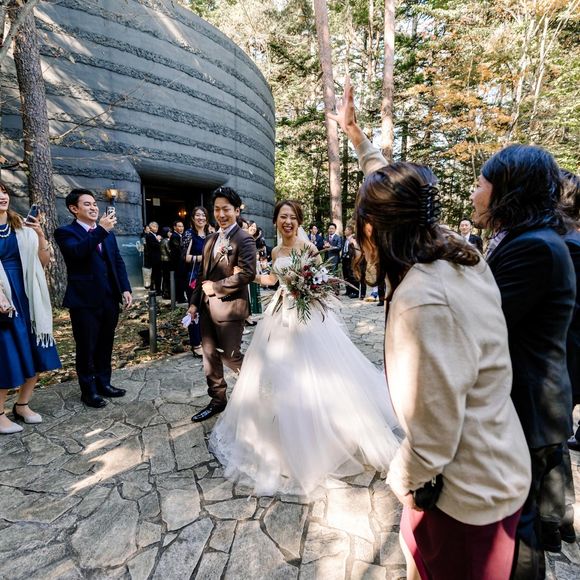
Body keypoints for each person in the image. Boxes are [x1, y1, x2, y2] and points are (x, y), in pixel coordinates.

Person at [331, 78, 532, 579]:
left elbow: (436, 435)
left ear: (371, 230)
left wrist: (400, 479)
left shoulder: (423, 302)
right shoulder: (443, 244)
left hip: (469, 494)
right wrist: (358, 138)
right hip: (484, 469)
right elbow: (392, 190)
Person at [208, 199, 401, 498]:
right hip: (279, 316)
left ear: (298, 221)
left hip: (306, 318)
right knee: (274, 376)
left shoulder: (308, 247)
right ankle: (275, 437)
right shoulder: (275, 251)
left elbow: (320, 284)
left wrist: (306, 290)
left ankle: (320, 436)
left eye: (293, 218)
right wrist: (256, 276)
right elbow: (274, 279)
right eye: (283, 217)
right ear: (276, 221)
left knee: (314, 375)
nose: (288, 222)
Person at [472, 147, 575, 573]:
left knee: (519, 527)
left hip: (529, 408)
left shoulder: (534, 247)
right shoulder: (527, 239)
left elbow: (483, 321)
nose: (474, 193)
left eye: (480, 184)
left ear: (506, 191)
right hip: (527, 403)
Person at [54, 189, 132, 408]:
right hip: (84, 301)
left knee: (106, 344)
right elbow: (77, 252)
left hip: (109, 297)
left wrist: (125, 288)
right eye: (87, 204)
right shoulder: (65, 232)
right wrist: (101, 231)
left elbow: (117, 261)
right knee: (86, 347)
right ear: (74, 208)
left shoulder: (107, 233)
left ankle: (104, 383)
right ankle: (88, 391)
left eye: (94, 204)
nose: (94, 207)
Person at [187, 187, 257, 422]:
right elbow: (202, 275)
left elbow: (247, 274)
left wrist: (216, 288)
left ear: (236, 210)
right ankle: (217, 400)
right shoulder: (209, 239)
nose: (221, 214)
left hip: (230, 308)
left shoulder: (244, 239)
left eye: (226, 209)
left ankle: (259, 388)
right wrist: (194, 304)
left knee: (230, 356)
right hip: (206, 308)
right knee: (209, 357)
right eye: (217, 209)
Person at [0, 180, 61, 434]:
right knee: (7, 355)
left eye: (3, 191)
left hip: (27, 297)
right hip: (4, 299)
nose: (2, 196)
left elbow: (43, 262)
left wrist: (40, 235)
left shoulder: (21, 227)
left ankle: (22, 405)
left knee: (36, 352)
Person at [183, 207, 210, 358]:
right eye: (198, 215)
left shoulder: (210, 234)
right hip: (193, 278)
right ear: (193, 218)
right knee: (195, 309)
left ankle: (205, 340)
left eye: (203, 215)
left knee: (207, 310)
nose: (201, 218)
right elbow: (184, 257)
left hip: (209, 276)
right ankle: (195, 344)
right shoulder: (189, 234)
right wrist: (202, 258)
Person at [169, 220, 186, 303]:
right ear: (174, 227)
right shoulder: (174, 236)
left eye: (182, 226)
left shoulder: (180, 236)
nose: (181, 228)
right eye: (179, 226)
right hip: (177, 263)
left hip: (180, 262)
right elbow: (178, 249)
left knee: (181, 280)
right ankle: (180, 298)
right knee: (179, 280)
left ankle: (180, 297)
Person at [341, 225, 359, 297]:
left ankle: (355, 292)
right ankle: (348, 291)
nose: (344, 231)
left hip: (351, 260)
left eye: (346, 230)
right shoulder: (345, 239)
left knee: (352, 275)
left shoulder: (354, 239)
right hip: (345, 259)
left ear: (350, 231)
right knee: (346, 275)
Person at [145, 221, 162, 295]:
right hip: (154, 258)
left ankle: (155, 289)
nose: (156, 228)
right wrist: (158, 240)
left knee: (156, 274)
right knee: (156, 274)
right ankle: (156, 290)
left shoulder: (155, 235)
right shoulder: (149, 236)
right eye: (154, 227)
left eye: (157, 227)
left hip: (157, 258)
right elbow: (155, 246)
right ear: (150, 228)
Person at [159, 226, 172, 299]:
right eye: (169, 232)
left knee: (165, 278)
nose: (170, 233)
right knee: (167, 278)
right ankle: (167, 293)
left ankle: (165, 292)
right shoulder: (166, 241)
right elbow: (169, 251)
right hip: (167, 261)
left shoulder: (162, 240)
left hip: (163, 261)